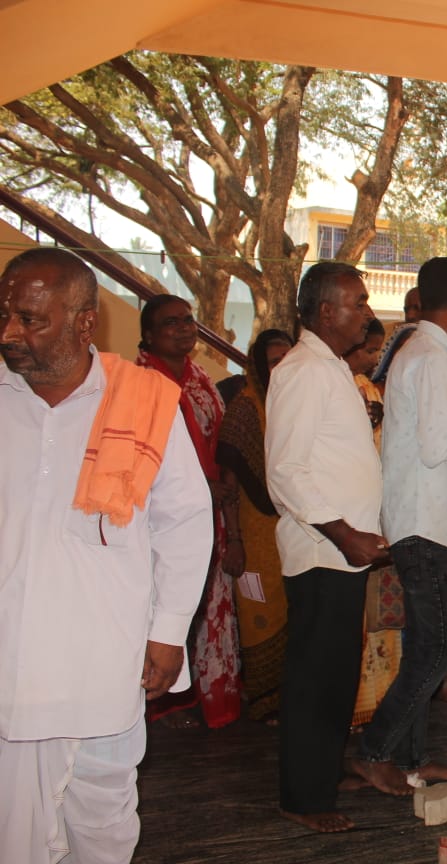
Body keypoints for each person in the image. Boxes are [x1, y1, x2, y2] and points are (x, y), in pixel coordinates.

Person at [0, 248, 211, 863]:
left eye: (31, 319)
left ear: (84, 321)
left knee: (104, 823)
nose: (10, 332)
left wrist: (169, 632)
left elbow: (186, 520)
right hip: (13, 665)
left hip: (105, 657)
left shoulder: (142, 400)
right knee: (17, 831)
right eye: (6, 315)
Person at [347, 257, 447, 795]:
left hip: (430, 522)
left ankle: (409, 759)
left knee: (429, 646)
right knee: (440, 648)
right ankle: (374, 750)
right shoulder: (428, 357)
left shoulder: (422, 353)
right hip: (423, 527)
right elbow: (435, 448)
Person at [265, 261, 387, 833]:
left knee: (335, 674)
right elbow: (285, 473)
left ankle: (320, 774)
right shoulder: (303, 371)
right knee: (316, 677)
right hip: (322, 551)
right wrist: (344, 533)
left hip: (341, 551)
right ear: (324, 312)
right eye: (358, 302)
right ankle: (304, 799)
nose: (367, 311)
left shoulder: (329, 367)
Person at [136, 293, 241, 730]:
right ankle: (163, 698)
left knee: (210, 607)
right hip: (161, 519)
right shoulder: (139, 382)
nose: (183, 327)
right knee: (168, 601)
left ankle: (210, 702)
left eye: (188, 319)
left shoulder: (199, 378)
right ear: (147, 336)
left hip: (213, 513)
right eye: (169, 322)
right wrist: (202, 485)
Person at [215, 328, 295, 723]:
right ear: (260, 365)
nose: (282, 368)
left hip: (289, 533)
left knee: (290, 615)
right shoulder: (246, 407)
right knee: (260, 616)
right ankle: (264, 701)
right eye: (274, 360)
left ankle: (287, 698)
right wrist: (234, 539)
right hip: (254, 534)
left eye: (288, 359)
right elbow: (228, 481)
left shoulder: (294, 404)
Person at [342, 318, 404, 733]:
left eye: (378, 352)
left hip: (380, 516)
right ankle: (356, 711)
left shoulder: (370, 391)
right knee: (359, 623)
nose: (373, 360)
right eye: (368, 352)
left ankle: (382, 702)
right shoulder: (343, 390)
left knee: (385, 623)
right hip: (350, 522)